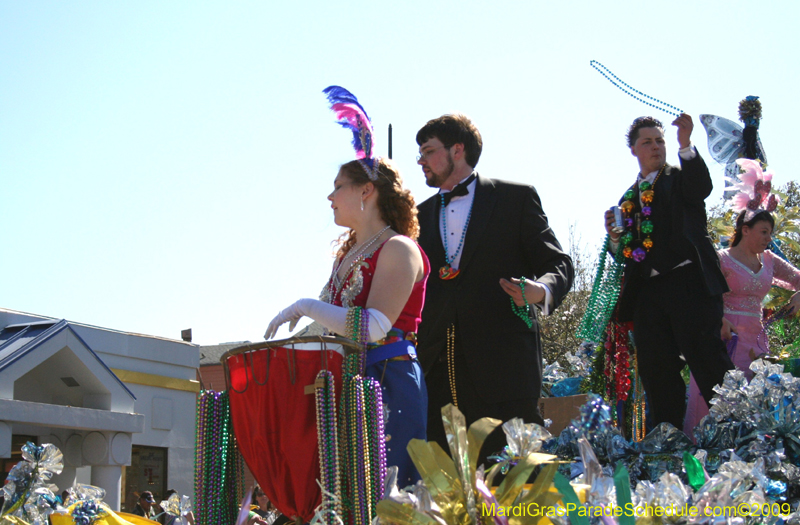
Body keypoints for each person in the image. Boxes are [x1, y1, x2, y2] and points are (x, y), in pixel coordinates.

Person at [414, 113, 574, 461]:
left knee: (522, 484)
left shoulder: (515, 198)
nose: (420, 161)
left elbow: (558, 264)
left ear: (458, 150)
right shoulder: (416, 217)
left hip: (506, 372)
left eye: (427, 151)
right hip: (439, 375)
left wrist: (539, 290)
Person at [265, 156, 430, 485]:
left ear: (366, 190)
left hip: (388, 384)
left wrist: (305, 306)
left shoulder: (399, 248)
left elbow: (374, 327)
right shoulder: (347, 255)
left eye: (338, 187)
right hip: (345, 386)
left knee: (388, 498)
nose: (330, 198)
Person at [603, 114, 735, 431]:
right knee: (657, 370)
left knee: (708, 362)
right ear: (634, 150)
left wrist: (686, 144)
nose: (656, 146)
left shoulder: (680, 178)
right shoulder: (628, 199)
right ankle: (667, 440)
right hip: (648, 294)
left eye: (660, 140)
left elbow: (702, 186)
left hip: (689, 284)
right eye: (647, 142)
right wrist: (615, 237)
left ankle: (739, 431)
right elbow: (623, 254)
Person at [683, 209, 800, 434]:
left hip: (756, 340)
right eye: (764, 232)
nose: (769, 238)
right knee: (716, 395)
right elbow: (697, 295)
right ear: (745, 230)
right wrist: (719, 319)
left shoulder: (770, 260)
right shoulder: (720, 259)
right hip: (724, 337)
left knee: (754, 397)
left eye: (771, 233)